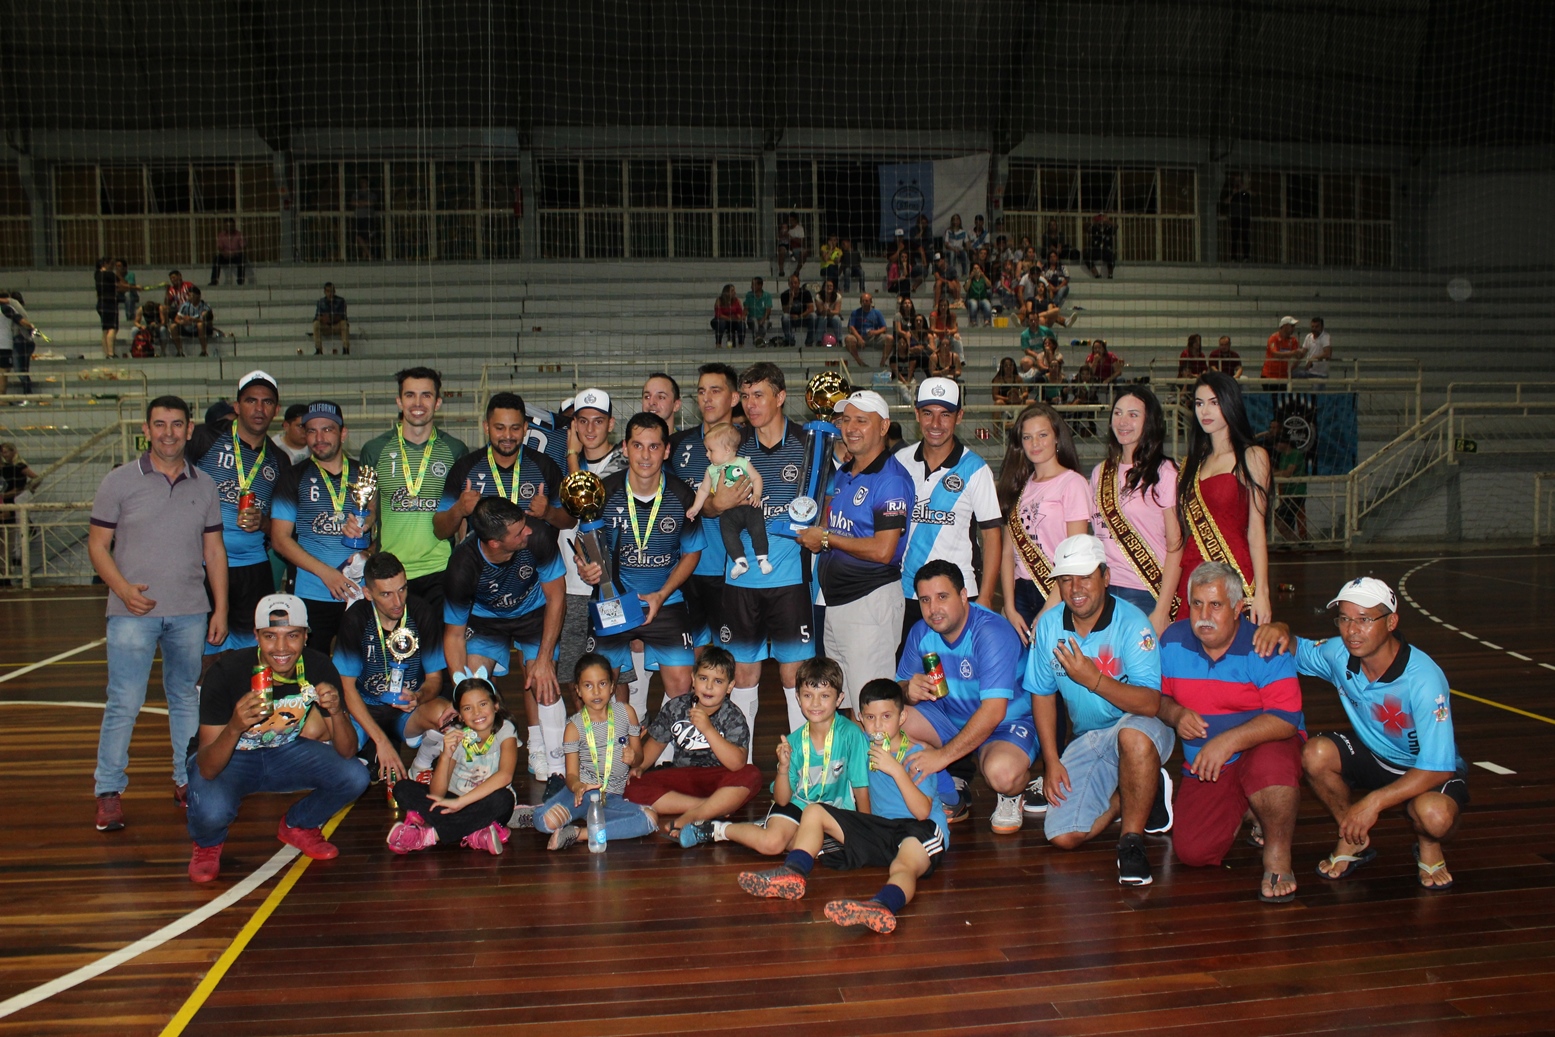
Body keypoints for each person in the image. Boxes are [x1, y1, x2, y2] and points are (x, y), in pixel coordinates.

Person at [1254, 577, 1466, 891]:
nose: (1352, 630)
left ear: (1391, 622)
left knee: (1435, 817)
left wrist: (1372, 803)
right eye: (1344, 619)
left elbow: (1439, 767)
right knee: (1315, 754)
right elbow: (1296, 647)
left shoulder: (1424, 679)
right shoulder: (1339, 653)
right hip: (1374, 755)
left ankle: (1429, 845)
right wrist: (1281, 627)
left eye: (1364, 619)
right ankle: (1353, 838)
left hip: (1423, 768)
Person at [89, 396, 227, 833]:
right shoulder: (118, 481)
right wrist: (123, 589)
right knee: (124, 701)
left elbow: (214, 551)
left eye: (177, 424)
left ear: (189, 430)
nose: (169, 432)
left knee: (185, 697)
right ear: (146, 430)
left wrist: (220, 607)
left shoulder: (205, 484)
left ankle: (187, 780)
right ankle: (108, 791)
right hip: (131, 614)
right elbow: (97, 546)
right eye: (160, 424)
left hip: (190, 611)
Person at [736, 677, 948, 935]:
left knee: (902, 867)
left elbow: (922, 812)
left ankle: (882, 905)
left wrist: (896, 770)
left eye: (886, 717)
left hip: (919, 830)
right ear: (861, 719)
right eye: (870, 718)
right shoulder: (861, 744)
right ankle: (793, 872)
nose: (878, 725)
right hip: (879, 830)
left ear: (902, 717)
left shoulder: (918, 755)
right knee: (814, 812)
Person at [186, 594, 369, 883]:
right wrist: (234, 727)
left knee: (355, 776)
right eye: (270, 636)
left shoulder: (319, 666)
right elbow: (207, 767)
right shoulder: (226, 672)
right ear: (256, 636)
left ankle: (299, 824)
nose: (281, 647)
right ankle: (207, 843)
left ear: (306, 636)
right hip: (229, 758)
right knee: (212, 810)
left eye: (292, 635)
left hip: (285, 752)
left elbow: (347, 752)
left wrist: (336, 712)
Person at [1024, 535, 1172, 885]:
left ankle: (1131, 843)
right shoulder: (1049, 626)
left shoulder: (1133, 623)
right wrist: (1051, 761)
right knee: (1063, 836)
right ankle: (1135, 793)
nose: (1075, 588)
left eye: (1085, 577)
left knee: (1132, 736)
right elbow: (1042, 695)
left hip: (1141, 727)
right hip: (1089, 737)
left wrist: (1093, 679)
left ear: (1105, 577)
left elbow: (1150, 704)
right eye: (1065, 579)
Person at [1158, 562, 1305, 902]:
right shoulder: (1173, 640)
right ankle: (1251, 806)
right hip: (1208, 763)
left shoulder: (1264, 645)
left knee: (1270, 764)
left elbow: (1286, 718)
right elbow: (1158, 699)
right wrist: (1175, 713)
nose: (1203, 616)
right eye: (1197, 604)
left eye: (1216, 605)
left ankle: (1277, 856)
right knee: (1193, 852)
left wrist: (1227, 741)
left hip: (1262, 747)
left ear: (1239, 608)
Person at [697, 363, 816, 750]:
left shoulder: (808, 443)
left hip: (790, 580)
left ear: (780, 397)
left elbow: (824, 503)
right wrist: (718, 502)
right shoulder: (733, 443)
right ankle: (741, 763)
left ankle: (802, 764)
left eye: (759, 395)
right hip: (741, 580)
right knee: (743, 675)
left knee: (794, 675)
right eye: (745, 396)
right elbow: (708, 506)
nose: (750, 404)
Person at [574, 412, 707, 714]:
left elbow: (692, 553)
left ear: (666, 450)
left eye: (654, 446)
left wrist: (662, 594)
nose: (645, 455)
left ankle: (668, 744)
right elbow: (584, 542)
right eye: (637, 446)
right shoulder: (603, 492)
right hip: (613, 601)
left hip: (666, 600)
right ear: (625, 448)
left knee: (682, 684)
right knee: (595, 684)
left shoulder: (682, 495)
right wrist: (585, 565)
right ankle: (613, 741)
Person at [794, 390, 912, 714]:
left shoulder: (890, 479)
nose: (851, 428)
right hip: (838, 603)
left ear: (884, 426)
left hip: (869, 602)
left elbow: (884, 549)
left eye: (862, 420)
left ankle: (877, 752)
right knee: (844, 702)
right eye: (846, 420)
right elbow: (835, 527)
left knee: (872, 707)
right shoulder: (845, 473)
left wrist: (826, 538)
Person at [899, 558, 1032, 832]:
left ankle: (1013, 794)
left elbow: (993, 712)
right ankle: (949, 790)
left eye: (942, 597)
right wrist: (906, 690)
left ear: (963, 596)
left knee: (1002, 774)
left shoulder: (991, 632)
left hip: (1004, 723)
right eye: (925, 600)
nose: (933, 609)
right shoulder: (921, 631)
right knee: (889, 722)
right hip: (950, 717)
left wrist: (941, 756)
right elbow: (895, 691)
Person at [442, 497, 566, 785]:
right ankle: (485, 754)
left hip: (534, 611)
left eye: (524, 525)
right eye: (519, 532)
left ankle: (548, 756)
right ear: (495, 543)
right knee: (474, 681)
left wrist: (544, 659)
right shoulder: (462, 566)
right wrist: (462, 693)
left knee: (544, 681)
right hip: (485, 620)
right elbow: (454, 635)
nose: (528, 531)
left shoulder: (538, 535)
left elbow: (557, 597)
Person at [687, 656, 870, 852]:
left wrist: (869, 829)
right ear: (798, 698)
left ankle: (768, 829)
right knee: (772, 844)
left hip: (834, 812)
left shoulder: (851, 735)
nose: (815, 703)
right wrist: (783, 768)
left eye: (824, 696)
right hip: (797, 805)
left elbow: (860, 788)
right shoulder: (793, 742)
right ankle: (719, 830)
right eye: (808, 695)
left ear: (839, 699)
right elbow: (782, 800)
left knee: (809, 845)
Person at [894, 379, 1002, 640]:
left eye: (945, 414)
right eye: (928, 413)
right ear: (916, 414)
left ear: (959, 417)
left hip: (958, 595)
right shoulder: (899, 461)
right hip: (904, 593)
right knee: (906, 664)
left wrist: (986, 597)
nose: (935, 424)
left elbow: (992, 536)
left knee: (957, 665)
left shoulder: (976, 469)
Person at [187, 370, 283, 656]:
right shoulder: (204, 439)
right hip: (201, 564)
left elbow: (283, 528)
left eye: (267, 402)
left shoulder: (279, 460)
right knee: (202, 652)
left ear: (276, 410)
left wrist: (263, 522)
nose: (259, 409)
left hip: (252, 568)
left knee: (252, 654)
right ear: (237, 406)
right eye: (251, 401)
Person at [358, 367, 470, 613]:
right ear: (399, 401)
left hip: (440, 570)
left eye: (426, 395)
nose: (418, 403)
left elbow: (461, 514)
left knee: (439, 638)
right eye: (410, 395)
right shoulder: (375, 450)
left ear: (438, 402)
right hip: (390, 574)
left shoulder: (455, 450)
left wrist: (464, 565)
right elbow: (370, 508)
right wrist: (359, 524)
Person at [332, 551, 449, 782]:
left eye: (402, 589)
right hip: (363, 707)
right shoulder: (356, 618)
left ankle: (422, 763)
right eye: (386, 594)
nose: (398, 602)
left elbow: (435, 679)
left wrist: (418, 696)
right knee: (327, 735)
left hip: (406, 709)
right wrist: (382, 741)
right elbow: (346, 687)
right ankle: (367, 749)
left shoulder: (421, 612)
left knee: (447, 716)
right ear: (368, 593)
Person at [626, 646, 763, 839]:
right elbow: (656, 744)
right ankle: (710, 807)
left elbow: (737, 763)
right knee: (630, 786)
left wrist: (708, 729)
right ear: (693, 678)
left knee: (751, 774)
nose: (709, 687)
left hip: (719, 778)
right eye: (703, 678)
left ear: (730, 686)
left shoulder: (733, 716)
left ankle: (693, 816)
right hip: (683, 775)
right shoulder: (676, 707)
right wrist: (639, 767)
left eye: (718, 681)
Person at [526, 653, 657, 850]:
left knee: (650, 818)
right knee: (545, 822)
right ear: (578, 690)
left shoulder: (626, 713)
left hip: (611, 798)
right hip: (581, 795)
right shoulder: (574, 727)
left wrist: (634, 758)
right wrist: (577, 786)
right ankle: (535, 813)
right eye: (588, 685)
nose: (596, 691)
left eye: (602, 684)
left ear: (612, 687)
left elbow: (639, 758)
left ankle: (579, 833)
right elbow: (571, 774)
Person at [269, 400, 369, 650]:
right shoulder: (293, 477)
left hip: (359, 592)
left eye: (327, 429)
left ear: (343, 433)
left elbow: (376, 529)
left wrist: (368, 548)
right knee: (313, 665)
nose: (319, 438)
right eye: (312, 430)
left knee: (358, 664)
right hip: (311, 592)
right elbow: (279, 539)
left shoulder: (365, 476)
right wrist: (327, 573)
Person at [1174, 371, 1272, 624]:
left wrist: (1262, 593)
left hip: (1234, 570)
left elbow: (1257, 531)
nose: (1204, 411)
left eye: (1214, 402)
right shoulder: (1192, 464)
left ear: (1230, 403)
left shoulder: (1252, 456)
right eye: (1199, 403)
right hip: (1194, 572)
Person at [385, 673, 515, 856]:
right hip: (452, 800)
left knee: (504, 799)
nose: (477, 712)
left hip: (485, 802)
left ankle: (429, 836)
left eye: (483, 704)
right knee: (402, 788)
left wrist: (460, 803)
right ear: (460, 716)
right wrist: (446, 755)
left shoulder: (505, 729)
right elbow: (436, 794)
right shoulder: (456, 735)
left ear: (495, 706)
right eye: (467, 708)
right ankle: (475, 831)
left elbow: (505, 776)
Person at [1089, 387, 1182, 633]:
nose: (1123, 421)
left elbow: (1176, 545)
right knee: (1107, 658)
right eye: (1118, 413)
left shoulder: (1165, 472)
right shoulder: (1100, 473)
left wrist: (1162, 610)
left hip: (1147, 591)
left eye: (1133, 415)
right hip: (1104, 589)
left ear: (1149, 421)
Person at [997, 403, 1091, 641]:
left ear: (1057, 437)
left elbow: (1075, 552)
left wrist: (1050, 605)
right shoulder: (1017, 486)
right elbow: (1007, 553)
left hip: (1057, 591)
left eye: (1042, 435)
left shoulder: (1073, 483)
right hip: (1020, 593)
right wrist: (1009, 606)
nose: (1035, 444)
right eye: (1027, 437)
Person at [436, 391, 570, 545]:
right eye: (500, 428)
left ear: (525, 428)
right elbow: (440, 531)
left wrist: (549, 512)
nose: (508, 436)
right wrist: (459, 510)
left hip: (536, 560)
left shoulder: (545, 466)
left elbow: (569, 521)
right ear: (486, 427)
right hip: (484, 560)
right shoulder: (465, 468)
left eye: (515, 428)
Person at [669, 365, 741, 652]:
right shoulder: (678, 445)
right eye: (701, 391)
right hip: (688, 569)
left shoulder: (749, 445)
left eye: (715, 391)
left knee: (733, 657)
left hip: (734, 570)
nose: (707, 398)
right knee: (693, 658)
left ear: (734, 398)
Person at [687, 420, 768, 580]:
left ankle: (763, 558)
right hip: (728, 512)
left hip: (749, 505)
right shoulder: (710, 470)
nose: (707, 454)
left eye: (710, 450)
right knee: (727, 534)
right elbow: (703, 490)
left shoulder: (742, 462)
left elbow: (757, 478)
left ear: (727, 450)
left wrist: (757, 495)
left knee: (758, 529)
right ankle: (740, 561)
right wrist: (695, 508)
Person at [845, 291, 890, 368]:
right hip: (859, 336)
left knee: (890, 338)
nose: (864, 303)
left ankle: (882, 362)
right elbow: (851, 327)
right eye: (862, 301)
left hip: (874, 337)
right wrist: (859, 338)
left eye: (866, 301)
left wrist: (875, 332)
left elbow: (884, 328)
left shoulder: (877, 313)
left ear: (871, 301)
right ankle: (860, 362)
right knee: (848, 339)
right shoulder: (855, 313)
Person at [172, 285, 214, 357]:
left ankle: (204, 351)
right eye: (188, 295)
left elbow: (208, 321)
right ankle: (180, 351)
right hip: (188, 327)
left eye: (190, 295)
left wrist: (192, 319)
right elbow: (176, 318)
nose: (188, 297)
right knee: (173, 326)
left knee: (200, 325)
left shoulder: (205, 306)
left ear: (198, 296)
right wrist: (182, 322)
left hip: (202, 329)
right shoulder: (185, 305)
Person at [94, 258, 123, 358]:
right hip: (110, 303)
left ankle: (107, 353)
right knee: (112, 328)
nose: (113, 266)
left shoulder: (97, 274)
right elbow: (121, 284)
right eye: (112, 264)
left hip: (101, 303)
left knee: (105, 329)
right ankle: (111, 353)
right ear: (105, 264)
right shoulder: (109, 274)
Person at [312, 283, 350, 356]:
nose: (330, 293)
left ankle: (345, 348)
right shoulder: (320, 302)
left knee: (344, 324)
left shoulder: (341, 301)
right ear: (325, 292)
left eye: (331, 291)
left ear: (334, 291)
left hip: (337, 326)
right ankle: (318, 349)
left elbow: (342, 316)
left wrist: (329, 318)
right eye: (328, 291)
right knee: (316, 324)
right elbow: (317, 317)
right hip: (326, 326)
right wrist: (323, 318)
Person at [1261, 316, 1302, 383]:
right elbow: (1275, 354)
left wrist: (1291, 368)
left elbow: (1298, 356)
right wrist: (1292, 353)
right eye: (1292, 326)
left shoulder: (1293, 340)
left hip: (1284, 377)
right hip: (1269, 375)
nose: (1294, 328)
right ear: (1285, 326)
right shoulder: (1274, 338)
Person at [1223, 174, 1253, 263]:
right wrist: (1233, 193)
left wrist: (1244, 189)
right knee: (1234, 238)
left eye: (1239, 181)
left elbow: (1253, 194)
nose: (1238, 183)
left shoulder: (1244, 193)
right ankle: (1233, 258)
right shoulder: (1231, 191)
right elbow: (1225, 202)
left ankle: (1246, 257)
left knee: (1245, 237)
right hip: (1235, 217)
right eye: (1236, 181)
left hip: (1244, 217)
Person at [779, 274, 815, 348]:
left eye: (795, 283)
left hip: (803, 317)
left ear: (799, 283)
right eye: (791, 283)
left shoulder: (806, 293)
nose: (793, 285)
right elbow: (785, 311)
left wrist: (800, 316)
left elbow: (811, 308)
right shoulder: (784, 295)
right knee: (785, 317)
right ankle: (790, 341)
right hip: (791, 318)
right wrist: (791, 299)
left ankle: (809, 341)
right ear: (788, 284)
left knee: (813, 316)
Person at [210, 218, 247, 286]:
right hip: (225, 256)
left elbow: (243, 247)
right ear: (225, 226)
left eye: (231, 226)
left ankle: (240, 281)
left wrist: (235, 253)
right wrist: (224, 253)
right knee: (216, 259)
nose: (229, 227)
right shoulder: (221, 235)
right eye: (227, 226)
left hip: (236, 255)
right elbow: (219, 247)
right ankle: (214, 281)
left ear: (234, 226)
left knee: (241, 259)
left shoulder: (239, 234)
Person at [351, 176, 378, 260]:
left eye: (364, 182)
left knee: (367, 238)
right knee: (358, 237)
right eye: (361, 182)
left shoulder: (371, 194)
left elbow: (371, 203)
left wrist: (360, 203)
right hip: (359, 217)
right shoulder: (356, 193)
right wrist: (364, 203)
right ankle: (369, 255)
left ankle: (365, 257)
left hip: (368, 217)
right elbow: (353, 203)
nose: (362, 184)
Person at [1084, 212, 1117, 278]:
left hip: (1107, 250)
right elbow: (1085, 227)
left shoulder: (1109, 227)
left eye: (1103, 217)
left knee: (1112, 257)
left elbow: (1116, 226)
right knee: (1086, 256)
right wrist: (1094, 221)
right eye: (1100, 217)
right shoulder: (1094, 227)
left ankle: (1110, 275)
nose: (1101, 219)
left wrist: (1107, 221)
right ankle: (1096, 275)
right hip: (1096, 250)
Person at [712, 284, 746, 349]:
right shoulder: (719, 300)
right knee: (721, 323)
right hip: (721, 320)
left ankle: (741, 344)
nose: (735, 292)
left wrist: (739, 317)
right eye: (732, 291)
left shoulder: (736, 300)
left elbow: (739, 312)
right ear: (726, 292)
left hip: (733, 320)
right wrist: (729, 318)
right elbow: (718, 314)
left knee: (742, 324)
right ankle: (718, 344)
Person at [815, 278, 845, 348]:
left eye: (831, 286)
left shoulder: (837, 296)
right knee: (823, 318)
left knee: (836, 319)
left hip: (832, 315)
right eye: (827, 286)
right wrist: (825, 310)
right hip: (822, 315)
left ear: (833, 287)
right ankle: (819, 340)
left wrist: (830, 311)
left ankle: (839, 340)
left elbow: (837, 311)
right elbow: (820, 311)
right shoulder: (818, 296)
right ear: (824, 287)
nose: (829, 287)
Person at [743, 277, 773, 346]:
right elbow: (746, 308)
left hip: (764, 318)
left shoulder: (767, 295)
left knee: (765, 325)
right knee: (755, 322)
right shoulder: (749, 295)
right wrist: (743, 316)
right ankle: (759, 341)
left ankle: (757, 341)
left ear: (760, 285)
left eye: (753, 285)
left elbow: (768, 310)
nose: (751, 287)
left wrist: (763, 319)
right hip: (752, 318)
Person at [779, 211, 807, 276]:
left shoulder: (799, 228)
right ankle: (781, 270)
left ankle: (797, 271)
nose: (790, 222)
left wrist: (790, 237)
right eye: (789, 220)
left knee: (804, 252)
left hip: (796, 249)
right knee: (781, 250)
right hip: (787, 248)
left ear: (795, 220)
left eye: (792, 220)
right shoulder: (786, 228)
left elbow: (801, 241)